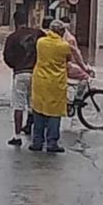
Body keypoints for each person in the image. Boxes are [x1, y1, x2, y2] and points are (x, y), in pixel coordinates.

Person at [30, 19, 71, 153]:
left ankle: (37, 141)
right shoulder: (64, 45)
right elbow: (68, 59)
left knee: (39, 109)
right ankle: (52, 143)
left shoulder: (40, 42)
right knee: (54, 113)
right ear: (61, 32)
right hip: (56, 82)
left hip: (40, 80)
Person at [3, 11, 43, 146]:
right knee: (34, 105)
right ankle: (35, 134)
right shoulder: (38, 34)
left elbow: (7, 58)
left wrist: (16, 66)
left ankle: (17, 136)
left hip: (20, 74)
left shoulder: (12, 38)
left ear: (15, 22)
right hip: (37, 74)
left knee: (18, 106)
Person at [61, 15, 92, 82]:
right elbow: (76, 54)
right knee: (85, 76)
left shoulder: (44, 40)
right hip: (65, 67)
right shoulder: (69, 39)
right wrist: (84, 67)